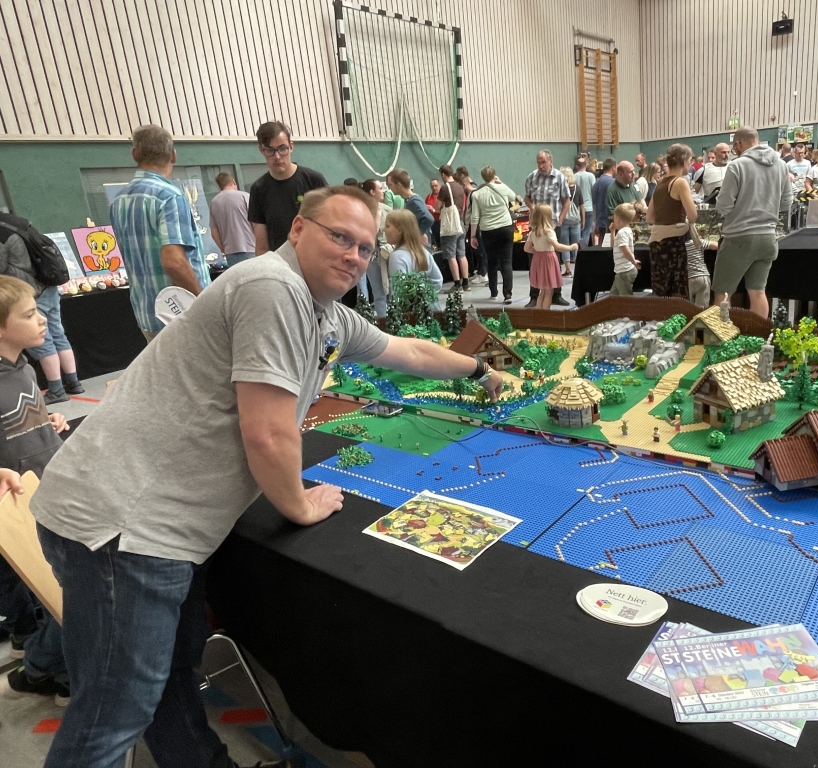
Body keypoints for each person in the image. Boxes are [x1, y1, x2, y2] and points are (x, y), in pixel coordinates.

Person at [29, 185, 504, 768]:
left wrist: (480, 368)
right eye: (339, 236)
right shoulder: (272, 287)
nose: (354, 256)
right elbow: (269, 433)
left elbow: (410, 352)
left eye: (365, 247)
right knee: (114, 713)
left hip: (158, 525)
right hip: (125, 525)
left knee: (171, 673)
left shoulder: (325, 314)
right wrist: (299, 505)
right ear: (297, 230)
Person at [0, 276, 70, 706]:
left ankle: (45, 657)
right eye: (29, 314)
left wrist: (48, 423)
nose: (42, 319)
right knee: (32, 583)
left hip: (47, 493)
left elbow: (26, 418)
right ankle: (48, 664)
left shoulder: (24, 367)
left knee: (57, 586)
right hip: (14, 507)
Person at [109, 125, 210, 342]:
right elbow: (174, 262)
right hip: (180, 316)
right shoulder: (170, 197)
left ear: (134, 154)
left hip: (146, 314)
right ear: (173, 155)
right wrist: (204, 304)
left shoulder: (118, 201)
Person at [0, 214, 84, 404]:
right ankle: (74, 382)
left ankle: (56, 389)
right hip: (49, 285)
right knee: (58, 335)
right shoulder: (18, 223)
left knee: (42, 341)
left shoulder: (2, 233)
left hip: (29, 292)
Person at [713, 126, 792, 319]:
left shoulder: (737, 166)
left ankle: (721, 335)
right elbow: (786, 203)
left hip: (738, 237)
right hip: (768, 237)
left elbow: (723, 206)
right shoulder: (781, 165)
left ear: (738, 144)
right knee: (758, 292)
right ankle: (758, 334)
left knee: (723, 294)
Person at [247, 121, 329, 254]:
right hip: (279, 262)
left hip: (314, 258)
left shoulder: (314, 181)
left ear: (291, 146)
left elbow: (330, 224)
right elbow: (262, 244)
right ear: (261, 150)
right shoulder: (258, 189)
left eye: (282, 148)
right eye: (270, 150)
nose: (277, 156)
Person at [646, 143, 698, 298]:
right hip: (673, 244)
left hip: (656, 244)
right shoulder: (680, 182)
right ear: (684, 160)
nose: (691, 164)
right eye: (690, 160)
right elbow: (693, 216)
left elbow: (650, 217)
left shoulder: (660, 183)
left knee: (661, 291)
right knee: (677, 293)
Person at [523, 150, 570, 307]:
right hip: (536, 226)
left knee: (554, 259)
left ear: (551, 161)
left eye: (543, 162)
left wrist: (561, 218)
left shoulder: (559, 177)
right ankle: (534, 295)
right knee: (534, 260)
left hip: (553, 225)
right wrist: (531, 206)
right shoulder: (531, 177)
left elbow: (566, 200)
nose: (541, 165)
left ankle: (556, 294)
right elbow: (527, 197)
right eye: (538, 162)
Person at [469, 166, 517, 303]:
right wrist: (501, 182)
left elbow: (475, 217)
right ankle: (507, 294)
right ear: (494, 175)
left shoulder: (477, 194)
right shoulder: (502, 188)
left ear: (482, 177)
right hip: (505, 227)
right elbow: (514, 197)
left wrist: (473, 236)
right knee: (506, 262)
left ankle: (493, 292)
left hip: (488, 230)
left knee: (492, 262)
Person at [385, 209, 443, 310]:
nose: (384, 230)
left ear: (399, 231)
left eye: (387, 226)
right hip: (431, 308)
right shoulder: (423, 252)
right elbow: (438, 280)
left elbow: (399, 290)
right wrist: (425, 294)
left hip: (409, 313)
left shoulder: (396, 257)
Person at [524, 204, 576, 310]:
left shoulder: (533, 232)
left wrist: (537, 251)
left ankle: (539, 312)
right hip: (548, 261)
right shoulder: (549, 231)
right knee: (549, 291)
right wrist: (571, 247)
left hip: (538, 260)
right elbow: (557, 246)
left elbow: (526, 248)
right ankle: (546, 314)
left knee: (543, 291)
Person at [359, 178, 392, 317]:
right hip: (371, 255)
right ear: (372, 192)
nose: (383, 191)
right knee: (379, 293)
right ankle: (382, 322)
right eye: (380, 188)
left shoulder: (387, 210)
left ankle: (397, 322)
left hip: (388, 253)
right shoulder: (361, 211)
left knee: (393, 290)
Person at [435, 164, 470, 292]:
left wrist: (434, 208)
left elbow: (437, 206)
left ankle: (457, 284)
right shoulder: (460, 187)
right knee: (462, 254)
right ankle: (466, 283)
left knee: (451, 255)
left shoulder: (445, 187)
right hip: (460, 223)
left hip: (450, 225)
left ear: (443, 174)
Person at [208, 173, 255, 267]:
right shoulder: (245, 196)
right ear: (234, 182)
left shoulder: (214, 202)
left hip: (230, 252)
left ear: (220, 186)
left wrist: (224, 249)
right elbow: (256, 223)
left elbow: (214, 233)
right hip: (251, 248)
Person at [386, 168, 433, 244]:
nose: (389, 188)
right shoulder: (408, 200)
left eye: (390, 185)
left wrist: (418, 234)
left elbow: (429, 218)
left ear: (398, 185)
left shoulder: (414, 201)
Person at [559, 167, 585, 277]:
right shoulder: (577, 188)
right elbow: (581, 205)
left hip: (564, 218)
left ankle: (568, 269)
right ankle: (578, 269)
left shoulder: (561, 189)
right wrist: (583, 220)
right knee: (576, 244)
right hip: (575, 219)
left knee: (564, 245)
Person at [609, 204, 640, 296]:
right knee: (613, 296)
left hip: (624, 271)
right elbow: (614, 245)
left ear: (617, 218)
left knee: (625, 297)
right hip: (621, 271)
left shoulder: (622, 233)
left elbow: (625, 248)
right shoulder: (626, 231)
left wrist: (633, 261)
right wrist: (612, 231)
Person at [591, 158, 617, 245]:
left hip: (599, 222)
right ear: (613, 168)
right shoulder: (614, 183)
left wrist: (595, 223)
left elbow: (594, 205)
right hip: (610, 222)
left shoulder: (596, 183)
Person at [574, 154, 597, 248]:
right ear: (586, 165)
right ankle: (584, 250)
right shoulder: (591, 176)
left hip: (576, 209)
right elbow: (594, 191)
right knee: (586, 232)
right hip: (588, 207)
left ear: (576, 166)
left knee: (577, 231)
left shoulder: (574, 176)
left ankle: (577, 250)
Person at [425, 178, 442, 250]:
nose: (434, 188)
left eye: (436, 185)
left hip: (442, 222)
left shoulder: (443, 196)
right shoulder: (428, 197)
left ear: (440, 185)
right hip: (432, 223)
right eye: (432, 186)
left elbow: (445, 210)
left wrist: (434, 210)